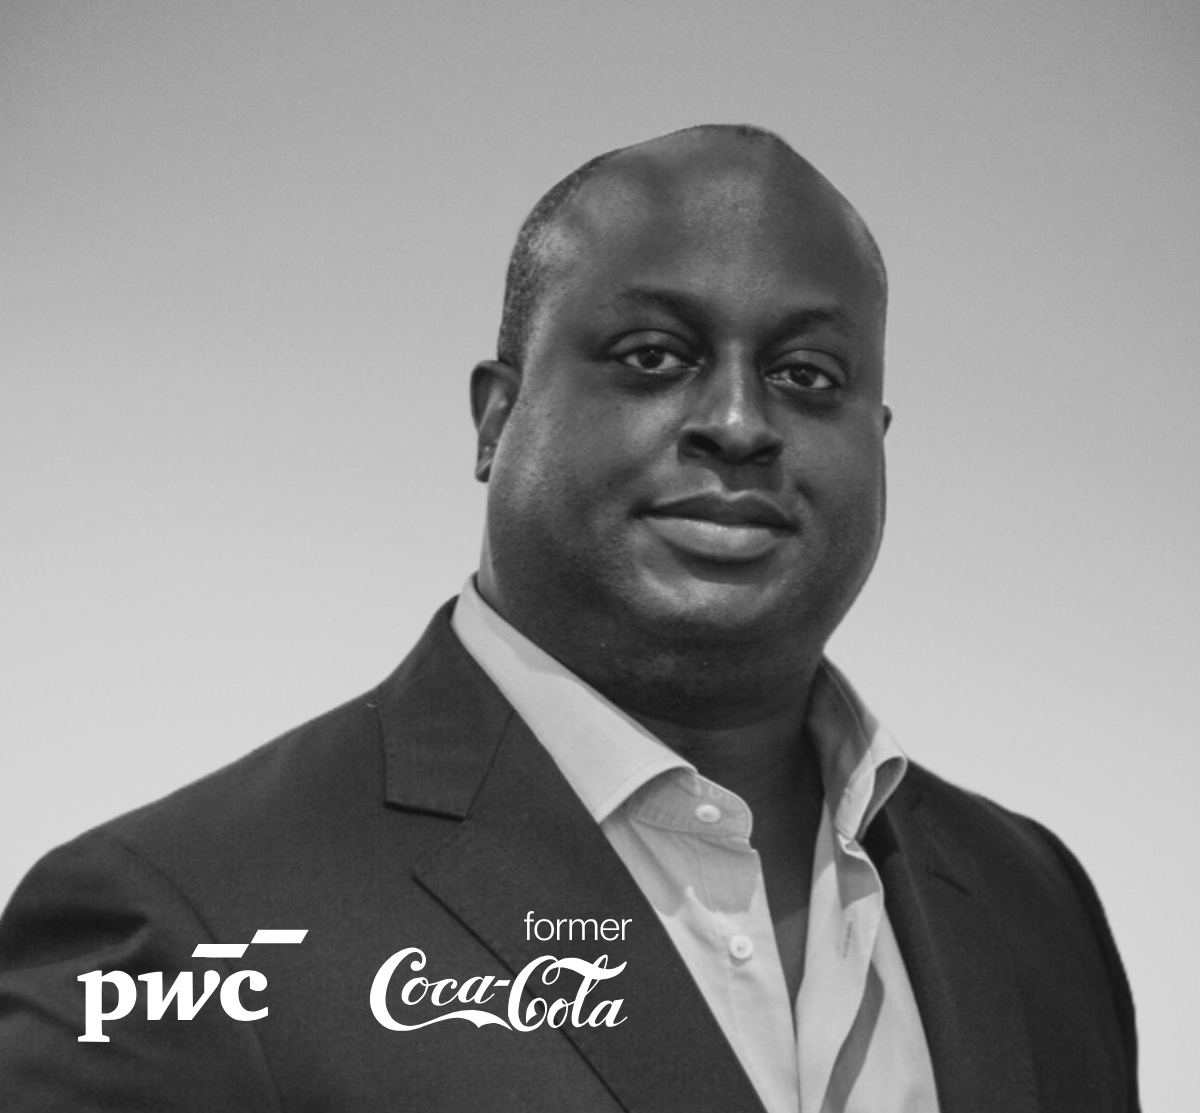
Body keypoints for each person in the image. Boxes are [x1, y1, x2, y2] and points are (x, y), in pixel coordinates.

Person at [0, 124, 1138, 1112]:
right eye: (654, 356)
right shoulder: (183, 922)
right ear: (496, 420)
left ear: (877, 441)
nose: (741, 422)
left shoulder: (1032, 897)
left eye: (806, 375)